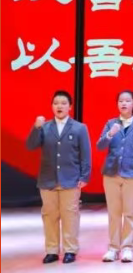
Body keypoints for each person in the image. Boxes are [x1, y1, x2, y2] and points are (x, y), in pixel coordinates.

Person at [25, 90, 91, 264]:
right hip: (48, 180)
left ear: (70, 107)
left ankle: (70, 250)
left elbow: (85, 155)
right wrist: (36, 127)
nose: (59, 106)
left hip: (71, 179)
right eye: (56, 103)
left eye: (63, 103)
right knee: (49, 216)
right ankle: (52, 250)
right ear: (52, 107)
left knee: (70, 216)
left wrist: (84, 176)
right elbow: (30, 145)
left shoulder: (79, 128)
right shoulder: (45, 127)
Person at [97, 90, 133, 263]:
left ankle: (127, 247)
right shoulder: (110, 123)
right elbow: (100, 146)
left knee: (129, 212)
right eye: (120, 101)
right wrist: (110, 134)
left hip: (132, 174)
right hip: (111, 174)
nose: (124, 103)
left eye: (127, 101)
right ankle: (113, 248)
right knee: (114, 213)